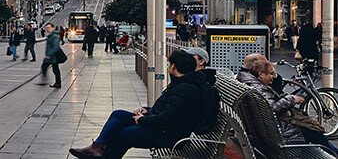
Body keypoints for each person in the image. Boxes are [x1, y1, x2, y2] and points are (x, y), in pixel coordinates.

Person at [70, 49, 217, 159]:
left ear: (174, 67)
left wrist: (142, 120)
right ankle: (97, 147)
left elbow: (167, 119)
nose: (168, 66)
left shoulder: (186, 89)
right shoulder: (182, 83)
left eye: (169, 64)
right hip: (166, 128)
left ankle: (100, 153)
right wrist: (147, 111)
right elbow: (168, 110)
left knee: (126, 134)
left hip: (170, 136)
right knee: (119, 115)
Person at [240, 58, 338, 155]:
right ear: (261, 74)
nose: (274, 77)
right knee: (314, 131)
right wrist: (292, 99)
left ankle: (334, 152)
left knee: (313, 131)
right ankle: (334, 153)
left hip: (267, 132)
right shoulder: (257, 87)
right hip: (282, 132)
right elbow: (272, 107)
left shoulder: (250, 82)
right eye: (271, 74)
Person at [39, 22, 62, 88]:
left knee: (53, 69)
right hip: (50, 56)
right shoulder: (51, 35)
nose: (47, 29)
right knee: (52, 69)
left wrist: (49, 54)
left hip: (52, 57)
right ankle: (56, 82)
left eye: (48, 28)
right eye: (46, 28)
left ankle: (56, 82)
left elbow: (55, 47)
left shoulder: (54, 36)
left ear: (53, 28)